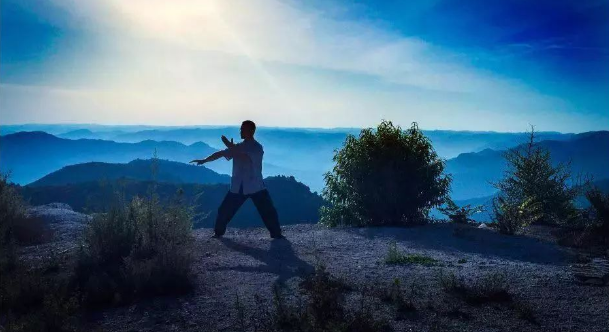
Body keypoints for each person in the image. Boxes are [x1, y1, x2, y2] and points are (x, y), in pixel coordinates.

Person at [190, 120, 284, 239]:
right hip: (239, 186)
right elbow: (221, 153)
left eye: (243, 129)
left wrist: (229, 145)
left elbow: (243, 154)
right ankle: (218, 233)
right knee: (224, 210)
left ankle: (276, 234)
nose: (241, 131)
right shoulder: (239, 146)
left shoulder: (257, 147)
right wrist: (204, 160)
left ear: (252, 131)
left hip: (255, 185)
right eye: (241, 129)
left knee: (268, 211)